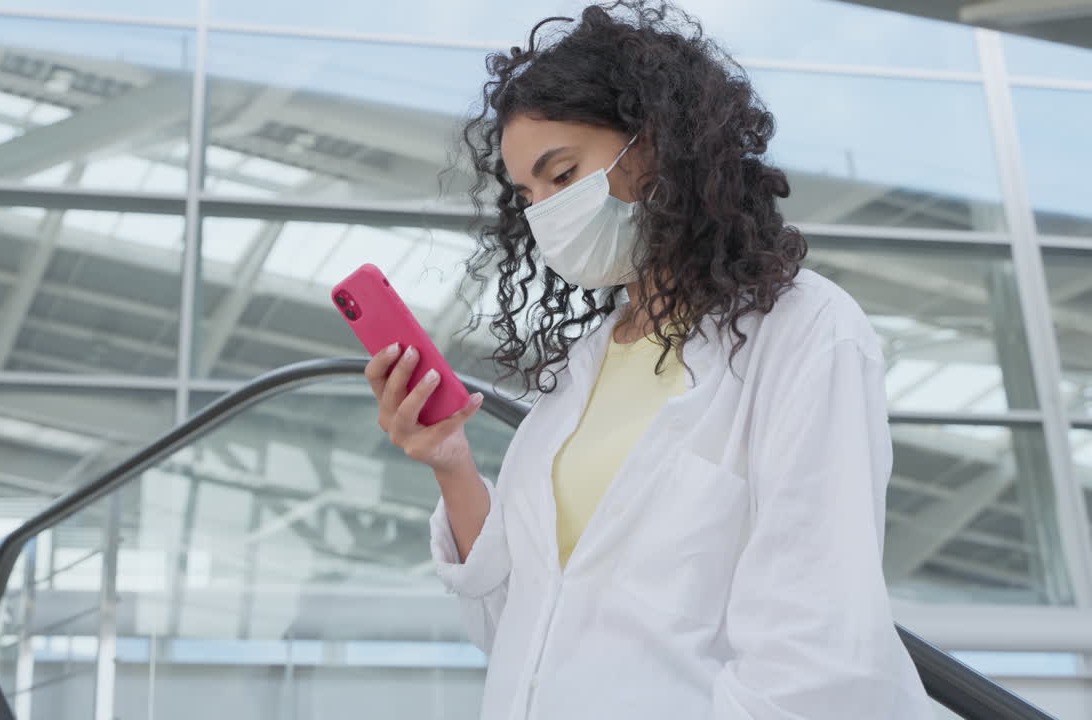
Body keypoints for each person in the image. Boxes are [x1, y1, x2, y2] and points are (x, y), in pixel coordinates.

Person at [363, 2, 935, 718]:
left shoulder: (806, 333)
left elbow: (817, 655)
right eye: (528, 195)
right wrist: (450, 462)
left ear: (658, 144)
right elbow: (516, 628)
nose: (543, 214)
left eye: (562, 175)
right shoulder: (587, 367)